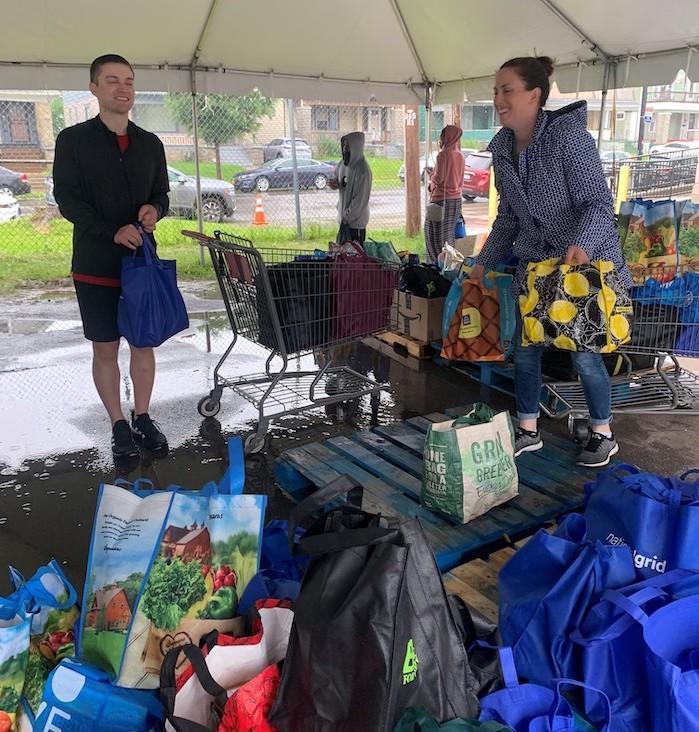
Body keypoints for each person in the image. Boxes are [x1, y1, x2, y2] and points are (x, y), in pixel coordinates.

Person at [469, 56, 630, 468]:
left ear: (534, 95)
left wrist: (581, 243)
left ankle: (602, 432)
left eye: (507, 90)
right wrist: (482, 261)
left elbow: (598, 203)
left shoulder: (568, 138)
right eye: (495, 90)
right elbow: (508, 218)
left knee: (584, 354)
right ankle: (527, 429)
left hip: (582, 267)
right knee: (524, 350)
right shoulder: (503, 150)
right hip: (535, 268)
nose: (498, 99)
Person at [53, 54, 170, 460]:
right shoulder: (73, 141)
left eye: (129, 82)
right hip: (95, 264)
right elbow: (67, 199)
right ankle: (118, 424)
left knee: (143, 343)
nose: (123, 89)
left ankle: (142, 416)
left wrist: (155, 210)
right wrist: (111, 230)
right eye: (113, 81)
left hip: (141, 264)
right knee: (105, 348)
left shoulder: (151, 144)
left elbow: (162, 194)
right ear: (94, 88)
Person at [425, 125, 465, 264]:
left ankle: (434, 265)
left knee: (432, 234)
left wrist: (432, 175)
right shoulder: (460, 155)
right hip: (456, 200)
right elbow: (458, 179)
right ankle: (449, 265)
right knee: (448, 236)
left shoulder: (443, 155)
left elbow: (439, 178)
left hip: (440, 201)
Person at [334, 131, 372, 244]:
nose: (345, 149)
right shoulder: (343, 164)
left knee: (354, 259)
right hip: (344, 220)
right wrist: (336, 184)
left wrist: (346, 217)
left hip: (356, 224)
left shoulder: (363, 171)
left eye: (348, 146)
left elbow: (359, 202)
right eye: (344, 145)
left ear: (356, 147)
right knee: (342, 258)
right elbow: (338, 178)